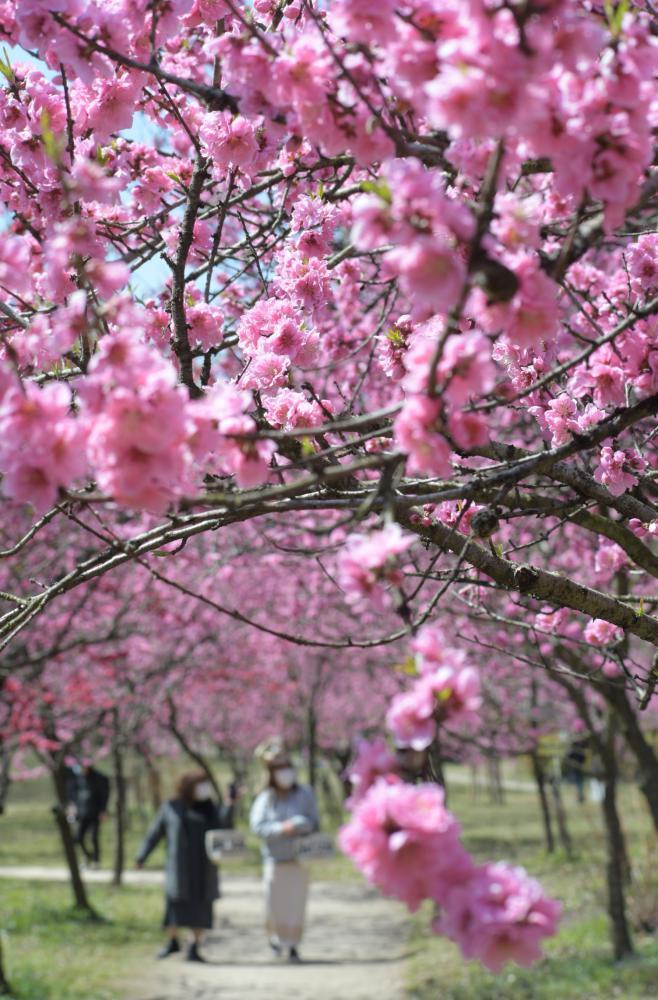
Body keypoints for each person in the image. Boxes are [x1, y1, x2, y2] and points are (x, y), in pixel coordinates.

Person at [135, 771, 234, 962]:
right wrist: (141, 856)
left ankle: (194, 946)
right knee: (175, 905)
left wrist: (229, 805)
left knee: (201, 907)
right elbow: (155, 833)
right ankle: (173, 941)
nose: (204, 788)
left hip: (203, 867)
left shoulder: (209, 808)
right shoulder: (171, 807)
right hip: (179, 866)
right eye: (200, 784)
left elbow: (224, 828)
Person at [250, 739, 319, 963]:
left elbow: (314, 822)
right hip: (275, 860)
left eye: (287, 767)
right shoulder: (266, 799)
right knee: (274, 904)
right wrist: (282, 828)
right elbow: (258, 826)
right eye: (279, 769)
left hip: (300, 859)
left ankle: (293, 945)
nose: (285, 773)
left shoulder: (305, 794)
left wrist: (300, 825)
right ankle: (276, 939)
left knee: (296, 904)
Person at [65, 761, 110, 868]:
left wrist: (103, 810)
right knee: (78, 838)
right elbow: (72, 795)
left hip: (95, 813)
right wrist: (72, 807)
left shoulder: (98, 778)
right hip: (82, 813)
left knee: (94, 837)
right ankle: (87, 856)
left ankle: (96, 861)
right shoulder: (77, 779)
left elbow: (104, 795)